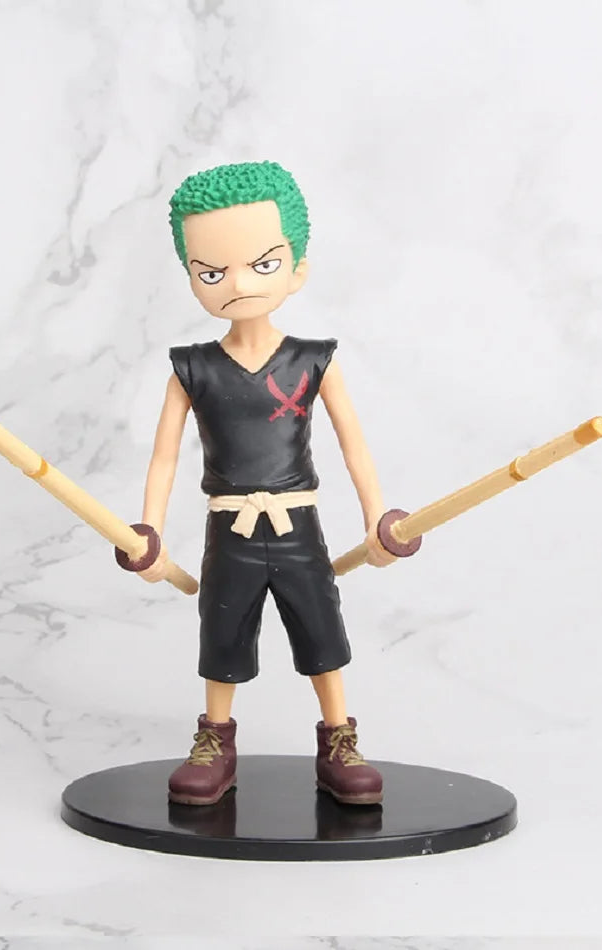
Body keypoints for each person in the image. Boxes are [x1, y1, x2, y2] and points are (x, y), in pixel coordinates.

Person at [119, 161, 415, 807]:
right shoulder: (192, 369)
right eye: (211, 272)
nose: (237, 284)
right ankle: (215, 739)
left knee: (321, 630)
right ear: (191, 276)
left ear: (297, 268)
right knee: (221, 633)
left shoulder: (314, 361)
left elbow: (353, 445)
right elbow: (164, 459)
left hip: (297, 524)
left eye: (262, 264)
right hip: (229, 528)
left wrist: (378, 520)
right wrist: (149, 532)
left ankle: (339, 738)